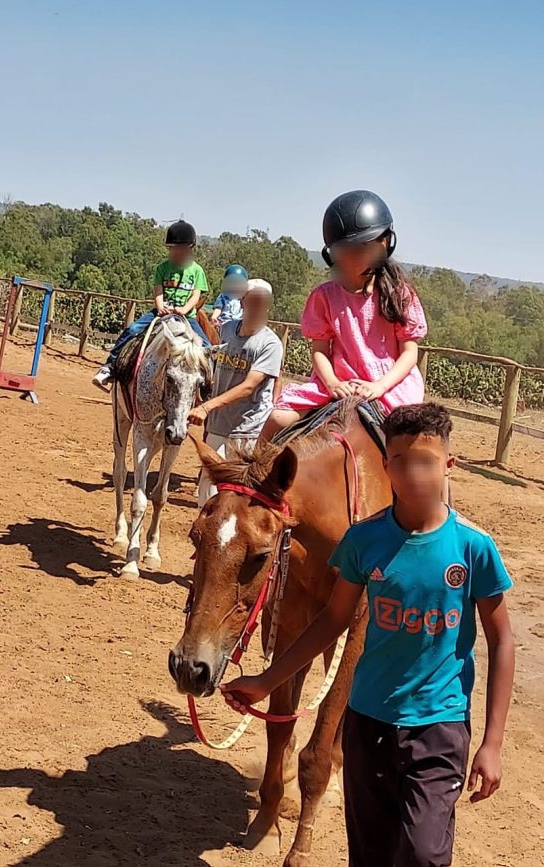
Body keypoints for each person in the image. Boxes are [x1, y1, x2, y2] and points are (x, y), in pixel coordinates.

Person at [222, 403, 515, 867]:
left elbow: (502, 640)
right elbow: (332, 620)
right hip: (369, 723)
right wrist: (266, 681)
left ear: (449, 466)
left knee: (422, 854)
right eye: (400, 461)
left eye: (426, 462)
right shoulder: (362, 542)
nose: (413, 474)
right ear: (384, 464)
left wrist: (492, 742)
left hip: (438, 726)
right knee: (369, 854)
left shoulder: (474, 548)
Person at [259, 190, 427, 441]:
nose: (354, 256)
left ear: (384, 243)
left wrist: (379, 386)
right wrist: (332, 383)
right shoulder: (324, 297)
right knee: (277, 419)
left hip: (389, 387)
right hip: (338, 383)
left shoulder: (400, 295)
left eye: (364, 247)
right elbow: (320, 351)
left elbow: (409, 353)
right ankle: (250, 466)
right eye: (346, 249)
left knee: (418, 445)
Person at [189, 279, 283, 507]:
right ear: (243, 302)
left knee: (239, 495)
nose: (259, 307)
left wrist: (206, 407)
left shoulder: (270, 344)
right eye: (254, 301)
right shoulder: (227, 330)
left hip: (248, 431)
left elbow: (249, 387)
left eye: (263, 302)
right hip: (218, 424)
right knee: (207, 491)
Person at [92, 220, 210, 388]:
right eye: (173, 249)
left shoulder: (197, 271)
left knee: (206, 346)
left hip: (186, 317)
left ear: (190, 249)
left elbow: (195, 296)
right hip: (161, 312)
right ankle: (110, 366)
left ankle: (207, 384)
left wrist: (183, 310)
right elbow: (158, 291)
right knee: (132, 329)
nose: (176, 253)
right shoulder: (162, 268)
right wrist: (160, 307)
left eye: (180, 250)